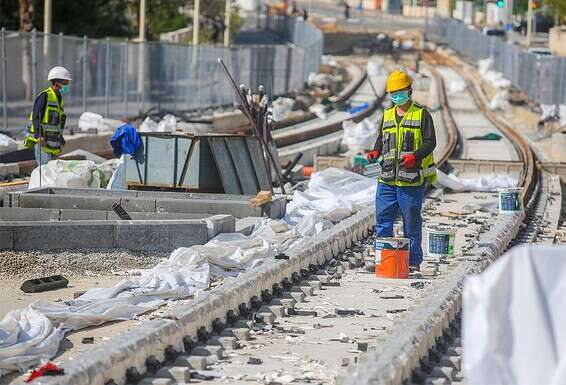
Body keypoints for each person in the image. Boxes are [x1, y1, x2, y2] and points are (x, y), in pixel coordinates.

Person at [367, 70, 437, 271]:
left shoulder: (422, 115)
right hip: (387, 178)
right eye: (393, 92)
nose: (397, 96)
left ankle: (413, 262)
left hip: (410, 180)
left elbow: (430, 142)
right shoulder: (387, 115)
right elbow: (381, 138)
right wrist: (375, 151)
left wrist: (415, 156)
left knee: (411, 222)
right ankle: (383, 260)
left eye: (400, 91)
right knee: (383, 220)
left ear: (409, 90)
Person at [24, 66, 71, 165]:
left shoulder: (59, 98)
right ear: (57, 83)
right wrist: (39, 135)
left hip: (52, 142)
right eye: (65, 83)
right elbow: (36, 116)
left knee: (50, 172)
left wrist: (60, 138)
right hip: (42, 141)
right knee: (45, 171)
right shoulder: (45, 95)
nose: (68, 85)